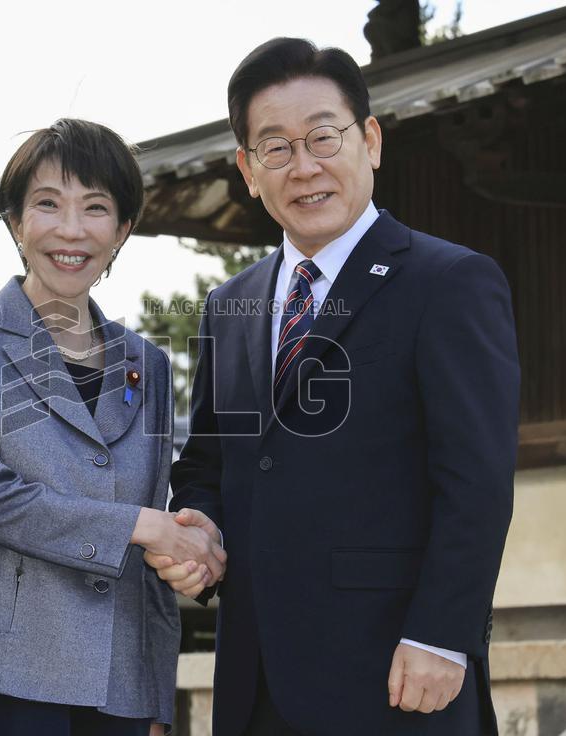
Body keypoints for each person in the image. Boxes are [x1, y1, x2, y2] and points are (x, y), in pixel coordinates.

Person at [145, 38, 520, 735]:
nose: (305, 166)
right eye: (277, 148)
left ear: (370, 140)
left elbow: (478, 480)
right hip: (256, 679)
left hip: (397, 676)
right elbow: (208, 464)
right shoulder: (230, 305)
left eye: (323, 136)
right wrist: (198, 531)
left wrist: (443, 635)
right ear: (248, 171)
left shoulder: (448, 283)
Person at [0, 118, 226, 736]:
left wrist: (157, 693)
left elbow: (152, 534)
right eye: (48, 204)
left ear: (123, 230)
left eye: (96, 208)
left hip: (118, 687)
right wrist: (143, 525)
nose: (71, 230)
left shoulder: (148, 365)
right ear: (15, 222)